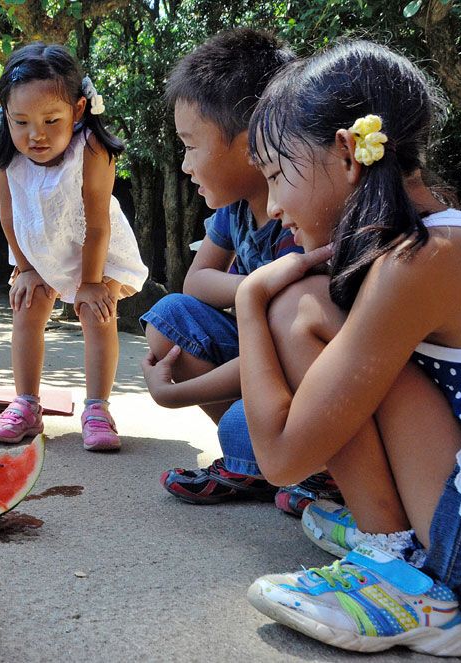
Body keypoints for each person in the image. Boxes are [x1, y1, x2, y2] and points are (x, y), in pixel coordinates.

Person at [231, 41, 461, 655]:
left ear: (346, 154)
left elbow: (281, 458)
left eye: (278, 174)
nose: (275, 205)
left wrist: (251, 304)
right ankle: (400, 542)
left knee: (298, 307)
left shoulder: (421, 261)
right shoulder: (443, 236)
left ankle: (402, 571)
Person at [139, 29, 337, 516]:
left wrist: (176, 394)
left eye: (190, 145)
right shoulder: (235, 211)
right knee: (170, 318)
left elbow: (289, 344)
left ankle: (305, 467)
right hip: (261, 351)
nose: (185, 165)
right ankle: (256, 461)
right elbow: (196, 283)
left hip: (300, 375)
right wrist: (258, 290)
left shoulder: (301, 219)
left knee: (238, 425)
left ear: (251, 145)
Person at [0, 43, 148, 452]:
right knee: (28, 304)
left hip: (93, 246)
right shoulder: (3, 157)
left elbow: (98, 221)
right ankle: (27, 404)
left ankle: (97, 407)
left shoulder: (91, 149)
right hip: (38, 245)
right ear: (5, 117)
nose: (36, 134)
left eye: (52, 119)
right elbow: (8, 214)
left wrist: (90, 282)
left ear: (79, 109)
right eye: (21, 121)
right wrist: (27, 268)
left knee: (96, 310)